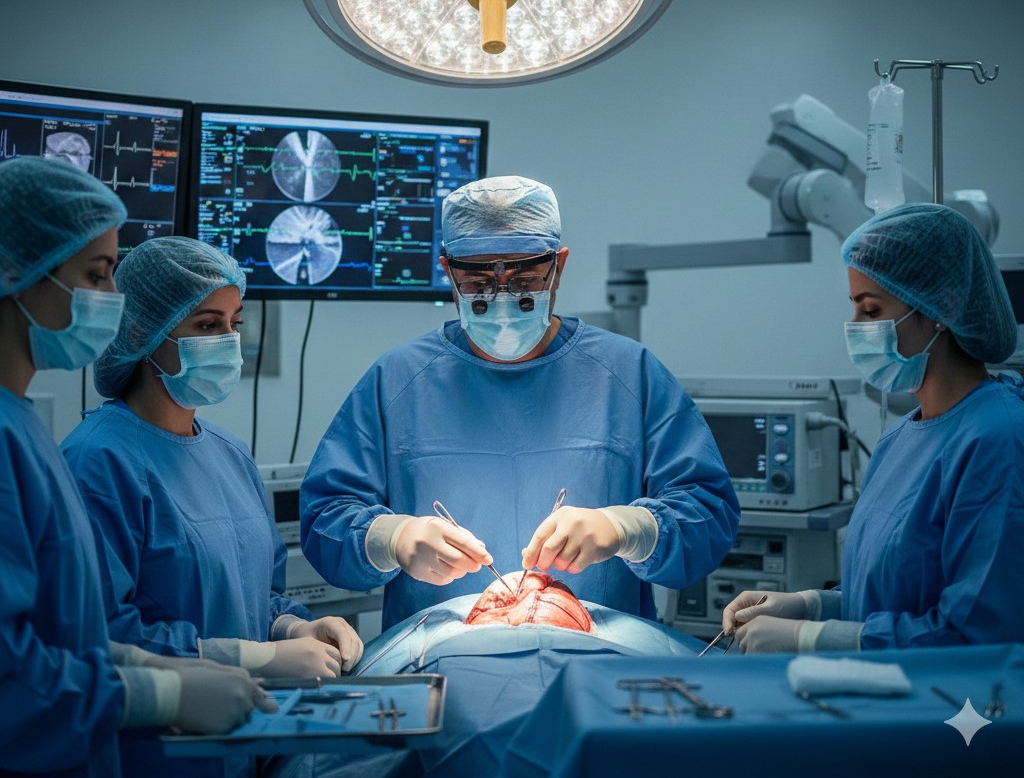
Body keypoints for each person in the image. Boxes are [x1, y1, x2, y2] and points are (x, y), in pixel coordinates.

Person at [301, 175, 739, 631]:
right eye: (478, 281)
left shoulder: (627, 373)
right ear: (448, 271)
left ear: (559, 267)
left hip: (598, 667)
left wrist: (629, 529)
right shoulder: (397, 380)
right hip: (443, 671)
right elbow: (325, 518)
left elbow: (707, 512)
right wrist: (391, 538)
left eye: (525, 277)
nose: (503, 296)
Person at [0, 156, 271, 778]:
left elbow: (73, 628)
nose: (111, 301)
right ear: (16, 271)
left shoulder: (24, 433)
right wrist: (163, 692)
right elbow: (16, 671)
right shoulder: (89, 456)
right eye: (97, 275)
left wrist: (272, 636)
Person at [61, 236, 364, 777]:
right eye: (206, 325)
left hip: (245, 741)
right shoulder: (97, 462)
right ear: (141, 334)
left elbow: (261, 595)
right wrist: (257, 660)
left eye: (234, 322)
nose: (228, 340)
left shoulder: (230, 456)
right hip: (155, 752)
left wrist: (293, 629)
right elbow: (101, 635)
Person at [724, 202, 1024, 653]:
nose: (855, 327)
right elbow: (886, 598)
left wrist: (813, 638)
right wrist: (811, 606)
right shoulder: (899, 438)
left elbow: (979, 634)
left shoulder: (998, 438)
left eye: (870, 310)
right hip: (875, 699)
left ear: (938, 309)